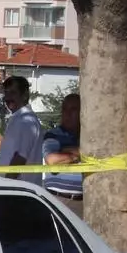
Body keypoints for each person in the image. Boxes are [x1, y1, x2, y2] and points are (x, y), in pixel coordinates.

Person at [0, 75, 44, 186]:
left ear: (25, 95)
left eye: (13, 93)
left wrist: (5, 186)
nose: (8, 98)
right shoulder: (18, 118)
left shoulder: (26, 121)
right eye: (6, 93)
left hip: (16, 190)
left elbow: (20, 157)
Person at [42, 92, 84, 220]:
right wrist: (80, 154)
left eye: (73, 109)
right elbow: (52, 161)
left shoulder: (89, 137)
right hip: (58, 199)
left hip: (84, 203)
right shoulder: (54, 135)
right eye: (64, 109)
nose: (68, 114)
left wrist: (68, 152)